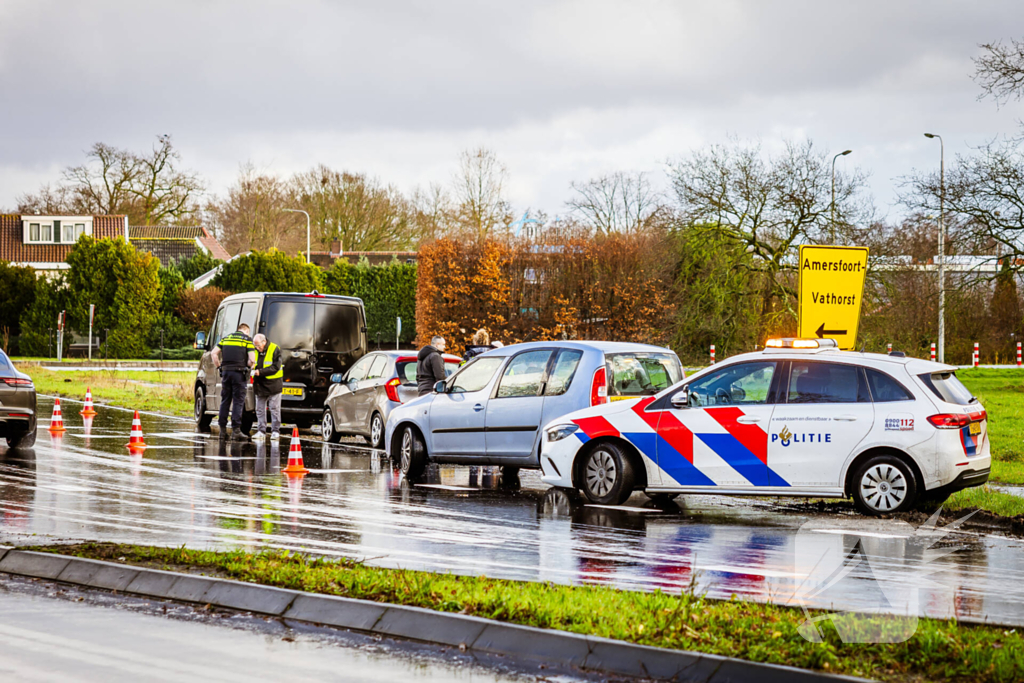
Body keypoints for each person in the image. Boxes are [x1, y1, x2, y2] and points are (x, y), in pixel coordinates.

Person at [212, 322, 256, 439]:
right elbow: (252, 359)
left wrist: (219, 366)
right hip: (239, 374)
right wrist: (248, 366)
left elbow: (214, 353)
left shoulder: (226, 338)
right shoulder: (247, 340)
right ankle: (236, 431)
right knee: (238, 401)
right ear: (246, 331)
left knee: (225, 400)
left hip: (226, 373)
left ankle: (222, 430)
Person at [251, 333, 283, 442]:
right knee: (259, 409)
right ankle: (261, 431)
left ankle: (275, 431)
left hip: (274, 384)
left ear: (264, 342)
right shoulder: (254, 350)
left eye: (258, 345)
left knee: (274, 408)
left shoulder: (275, 349)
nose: (257, 348)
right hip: (259, 384)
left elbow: (276, 367)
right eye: (255, 346)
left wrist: (260, 372)